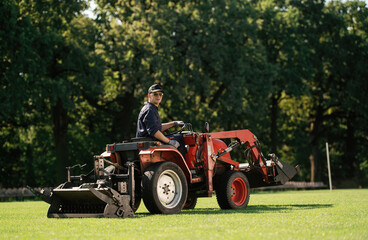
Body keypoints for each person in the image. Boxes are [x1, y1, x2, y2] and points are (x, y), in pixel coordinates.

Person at [136, 83, 186, 156]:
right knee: (180, 138)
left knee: (175, 137)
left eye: (160, 94)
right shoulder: (150, 110)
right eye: (155, 94)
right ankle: (181, 166)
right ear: (149, 95)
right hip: (150, 141)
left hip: (148, 140)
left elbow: (157, 127)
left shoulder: (150, 108)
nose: (158, 96)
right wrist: (169, 142)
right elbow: (154, 131)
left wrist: (173, 124)